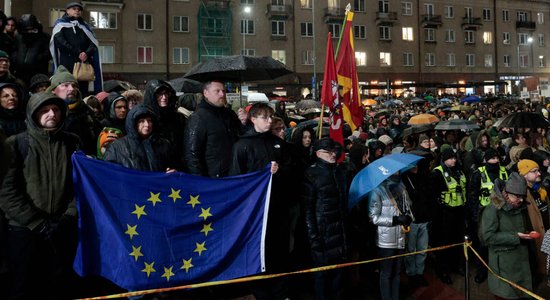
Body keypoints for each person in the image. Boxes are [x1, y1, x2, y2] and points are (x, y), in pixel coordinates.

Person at [0, 92, 82, 300]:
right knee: (23, 287)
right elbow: (7, 191)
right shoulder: (16, 144)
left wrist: (69, 216)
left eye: (55, 109)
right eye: (45, 110)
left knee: (58, 286)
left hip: (61, 228)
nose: (51, 114)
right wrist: (35, 222)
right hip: (24, 230)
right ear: (33, 114)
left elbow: (81, 185)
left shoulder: (72, 143)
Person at [229, 103, 290, 299]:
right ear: (253, 119)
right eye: (265, 117)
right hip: (254, 210)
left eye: (271, 117)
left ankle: (280, 290)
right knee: (258, 250)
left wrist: (279, 171)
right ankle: (260, 291)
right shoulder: (242, 145)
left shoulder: (278, 144)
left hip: (277, 207)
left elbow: (292, 168)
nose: (270, 121)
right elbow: (236, 178)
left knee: (278, 250)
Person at [302, 137, 349, 300]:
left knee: (339, 280)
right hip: (323, 236)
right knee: (322, 279)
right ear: (318, 153)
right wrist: (314, 239)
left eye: (334, 151)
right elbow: (307, 210)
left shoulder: (339, 171)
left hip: (340, 235)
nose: (333, 154)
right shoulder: (310, 174)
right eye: (328, 151)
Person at [480, 172, 534, 299]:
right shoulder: (492, 209)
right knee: (507, 295)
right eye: (517, 196)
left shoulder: (519, 205)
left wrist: (525, 234)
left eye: (523, 196)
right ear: (506, 192)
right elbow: (487, 237)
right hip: (504, 265)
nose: (520, 200)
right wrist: (516, 236)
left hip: (520, 260)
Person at [368, 171, 413, 300]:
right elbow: (373, 217)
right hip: (386, 240)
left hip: (401, 236)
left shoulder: (401, 187)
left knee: (397, 272)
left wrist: (408, 216)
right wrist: (396, 220)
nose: (396, 172)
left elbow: (409, 206)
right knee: (387, 273)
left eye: (398, 170)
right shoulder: (377, 190)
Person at [467, 148, 508, 284]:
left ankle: (500, 271)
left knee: (500, 242)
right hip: (484, 214)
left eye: (497, 158)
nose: (496, 160)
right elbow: (472, 196)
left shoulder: (504, 171)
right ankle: (482, 271)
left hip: (503, 212)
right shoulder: (478, 173)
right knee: (483, 244)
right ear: (486, 160)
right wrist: (474, 215)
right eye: (492, 158)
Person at [183, 80, 241, 177]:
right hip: (213, 178)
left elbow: (241, 137)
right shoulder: (198, 118)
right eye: (217, 91)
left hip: (234, 173)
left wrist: (244, 123)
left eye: (224, 90)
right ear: (206, 93)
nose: (222, 94)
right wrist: (200, 181)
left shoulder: (229, 114)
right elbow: (191, 154)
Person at [430, 148, 467, 284]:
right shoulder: (437, 173)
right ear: (444, 159)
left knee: (457, 242)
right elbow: (433, 196)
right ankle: (443, 271)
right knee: (444, 244)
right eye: (451, 158)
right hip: (444, 215)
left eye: (455, 158)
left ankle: (456, 266)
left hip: (459, 213)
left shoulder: (458, 170)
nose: (454, 160)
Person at [104, 104, 177, 172]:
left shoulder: (164, 144)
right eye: (141, 121)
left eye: (149, 121)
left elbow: (175, 167)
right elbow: (109, 173)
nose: (147, 125)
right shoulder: (117, 147)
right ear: (133, 123)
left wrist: (171, 172)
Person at [47, 65, 101, 155]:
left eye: (74, 85)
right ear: (53, 90)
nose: (71, 89)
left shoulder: (87, 112)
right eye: (65, 85)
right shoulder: (45, 112)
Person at [50, 1, 102, 94]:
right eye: (74, 9)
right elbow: (60, 42)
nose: (77, 11)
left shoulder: (85, 27)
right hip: (67, 65)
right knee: (67, 90)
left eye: (79, 9)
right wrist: (78, 52)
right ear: (67, 11)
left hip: (83, 65)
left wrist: (87, 53)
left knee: (82, 91)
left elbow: (93, 43)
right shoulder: (60, 25)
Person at [518, 159, 550, 290]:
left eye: (538, 170)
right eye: (534, 171)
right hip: (535, 236)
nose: (539, 174)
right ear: (525, 175)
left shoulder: (540, 190)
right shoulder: (523, 194)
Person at [402, 153, 433, 287]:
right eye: (412, 165)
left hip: (424, 219)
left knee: (422, 249)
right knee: (411, 250)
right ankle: (411, 274)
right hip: (412, 221)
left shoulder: (424, 177)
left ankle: (419, 273)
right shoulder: (403, 180)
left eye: (416, 164)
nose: (414, 167)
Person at [143, 80, 185, 168]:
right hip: (154, 166)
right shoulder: (145, 118)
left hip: (176, 165)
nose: (164, 97)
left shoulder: (178, 118)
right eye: (159, 94)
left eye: (166, 94)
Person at [11, 14, 51, 86]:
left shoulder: (44, 37)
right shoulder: (19, 37)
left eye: (32, 29)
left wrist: (38, 59)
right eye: (27, 30)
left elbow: (48, 52)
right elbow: (14, 50)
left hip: (38, 72)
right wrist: (16, 59)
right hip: (20, 72)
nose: (30, 31)